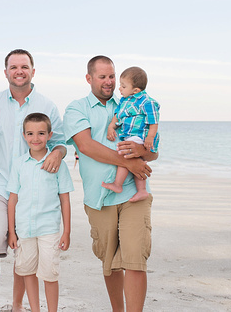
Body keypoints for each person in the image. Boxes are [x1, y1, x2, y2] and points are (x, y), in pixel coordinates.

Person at [64, 56, 156, 312]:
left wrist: (142, 151)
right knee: (110, 263)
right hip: (98, 197)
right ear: (89, 78)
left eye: (112, 76)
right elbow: (86, 146)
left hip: (132, 195)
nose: (109, 82)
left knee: (135, 259)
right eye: (102, 77)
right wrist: (129, 163)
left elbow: (153, 151)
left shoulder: (133, 102)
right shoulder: (76, 108)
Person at [0, 50, 68, 312]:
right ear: (5, 72)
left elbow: (60, 142)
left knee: (24, 250)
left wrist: (58, 153)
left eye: (24, 66)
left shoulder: (47, 105)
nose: (19, 71)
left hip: (33, 191)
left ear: (33, 71)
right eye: (14, 67)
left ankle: (17, 305)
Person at [7, 113, 72, 312]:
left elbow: (65, 199)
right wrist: (12, 231)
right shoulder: (18, 164)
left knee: (50, 273)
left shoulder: (58, 164)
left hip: (49, 229)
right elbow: (13, 199)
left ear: (50, 135)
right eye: (30, 133)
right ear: (24, 135)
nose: (36, 138)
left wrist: (66, 231)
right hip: (25, 229)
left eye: (41, 133)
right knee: (27, 271)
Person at [103, 66, 160, 202]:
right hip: (129, 136)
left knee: (125, 157)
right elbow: (118, 116)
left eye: (123, 86)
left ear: (135, 90)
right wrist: (111, 126)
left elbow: (153, 122)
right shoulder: (124, 101)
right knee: (133, 160)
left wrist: (150, 138)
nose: (119, 89)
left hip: (141, 136)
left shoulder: (147, 102)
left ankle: (118, 184)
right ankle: (141, 190)